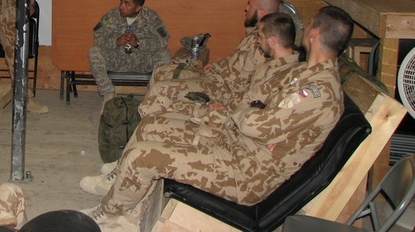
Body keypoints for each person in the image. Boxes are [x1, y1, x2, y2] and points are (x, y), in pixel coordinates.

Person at [82, 6, 353, 224]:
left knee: (143, 156)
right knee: (152, 124)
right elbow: (257, 106)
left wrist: (246, 112)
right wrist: (248, 112)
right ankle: (129, 199)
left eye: (309, 24)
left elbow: (256, 124)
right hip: (235, 142)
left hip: (247, 172)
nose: (304, 29)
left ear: (315, 33)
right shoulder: (303, 73)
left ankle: (107, 215)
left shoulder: (318, 92)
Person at [80, 12, 299, 197]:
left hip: (226, 130)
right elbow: (244, 93)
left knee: (156, 111)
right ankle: (122, 167)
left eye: (260, 36)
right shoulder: (269, 67)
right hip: (223, 112)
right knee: (152, 110)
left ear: (272, 40)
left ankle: (122, 181)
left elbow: (253, 117)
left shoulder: (285, 78)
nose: (257, 40)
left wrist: (218, 112)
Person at [139, 0, 279, 118]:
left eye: (250, 5)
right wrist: (218, 66)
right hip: (216, 77)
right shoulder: (252, 36)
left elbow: (249, 86)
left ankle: (153, 122)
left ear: (261, 12)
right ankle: (147, 117)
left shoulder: (264, 44)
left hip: (223, 89)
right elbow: (237, 65)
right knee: (160, 71)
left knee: (159, 89)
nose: (246, 8)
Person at [88, 0, 171, 107]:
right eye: (121, 1)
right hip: (117, 59)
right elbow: (98, 37)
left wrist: (139, 43)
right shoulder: (112, 15)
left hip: (142, 60)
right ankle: (108, 93)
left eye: (127, 4)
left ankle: (153, 95)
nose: (121, 6)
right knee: (94, 51)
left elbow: (162, 41)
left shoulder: (151, 17)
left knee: (164, 54)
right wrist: (116, 41)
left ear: (138, 8)